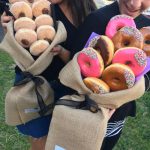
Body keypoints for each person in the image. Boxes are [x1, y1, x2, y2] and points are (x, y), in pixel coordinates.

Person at [1, 0, 97, 150]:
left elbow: (88, 58)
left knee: (62, 142)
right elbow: (21, 47)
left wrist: (62, 52)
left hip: (68, 88)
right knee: (40, 140)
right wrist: (10, 31)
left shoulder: (89, 13)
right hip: (35, 87)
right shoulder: (36, 7)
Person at [69, 0, 150, 149]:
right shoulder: (97, 19)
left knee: (105, 146)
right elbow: (73, 62)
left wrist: (136, 87)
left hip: (118, 112)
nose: (134, 4)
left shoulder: (148, 29)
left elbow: (148, 78)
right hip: (83, 106)